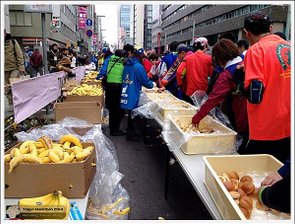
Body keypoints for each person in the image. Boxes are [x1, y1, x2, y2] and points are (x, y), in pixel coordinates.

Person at [242, 11, 290, 163]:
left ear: (246, 33)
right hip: (289, 122)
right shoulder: (289, 46)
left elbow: (255, 94)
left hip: (266, 127)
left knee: (260, 176)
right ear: (270, 28)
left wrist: (241, 83)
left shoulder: (255, 50)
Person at [191, 39, 248, 152]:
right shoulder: (246, 61)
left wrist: (196, 118)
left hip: (240, 115)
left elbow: (213, 99)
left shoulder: (227, 74)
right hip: (255, 113)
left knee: (238, 146)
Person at [120, 44, 156, 141]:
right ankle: (131, 134)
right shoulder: (138, 66)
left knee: (130, 113)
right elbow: (144, 81)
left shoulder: (127, 65)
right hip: (133, 93)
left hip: (126, 91)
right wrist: (153, 85)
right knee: (133, 114)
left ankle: (130, 132)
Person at [176, 37, 212, 102]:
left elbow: (179, 72)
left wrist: (180, 84)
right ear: (205, 46)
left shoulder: (188, 58)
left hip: (190, 92)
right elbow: (211, 74)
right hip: (203, 92)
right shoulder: (209, 59)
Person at [99, 49, 126, 136]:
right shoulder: (123, 61)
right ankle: (114, 130)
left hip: (109, 85)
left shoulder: (110, 58)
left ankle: (112, 127)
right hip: (117, 86)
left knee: (111, 108)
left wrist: (98, 76)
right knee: (118, 109)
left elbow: (104, 69)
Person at [4, 30, 25, 111]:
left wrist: (21, 67)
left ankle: (18, 102)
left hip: (14, 68)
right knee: (6, 88)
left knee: (13, 85)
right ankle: (10, 103)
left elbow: (19, 54)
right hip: (4, 70)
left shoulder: (13, 42)